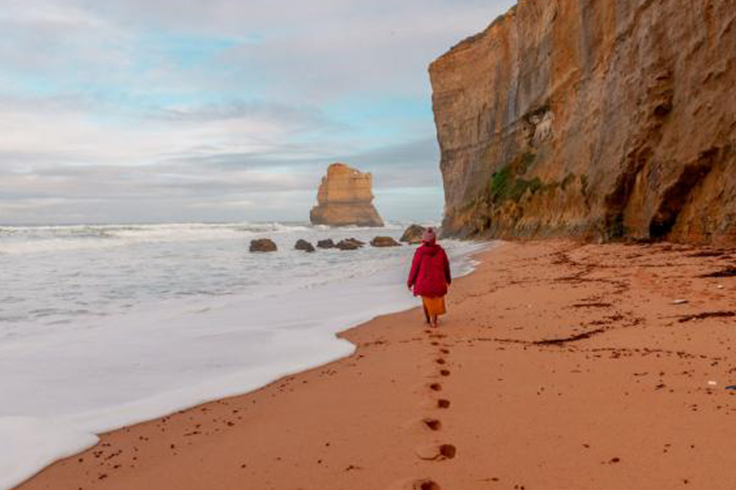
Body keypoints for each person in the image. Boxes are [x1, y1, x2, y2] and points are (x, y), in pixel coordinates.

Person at [407, 228, 452, 328]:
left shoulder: (419, 252)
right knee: (435, 299)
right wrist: (448, 280)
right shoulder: (441, 251)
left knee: (426, 299)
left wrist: (410, 282)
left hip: (423, 284)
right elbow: (446, 267)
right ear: (434, 240)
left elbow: (414, 268)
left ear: (423, 240)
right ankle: (434, 320)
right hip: (438, 283)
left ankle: (428, 319)